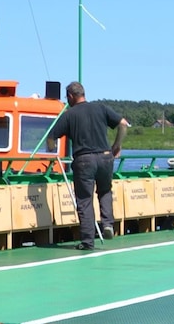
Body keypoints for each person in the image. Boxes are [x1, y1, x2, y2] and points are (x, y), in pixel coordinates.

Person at [47, 81, 128, 250]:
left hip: (84, 160)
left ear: (70, 96)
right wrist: (116, 146)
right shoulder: (101, 108)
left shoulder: (69, 115)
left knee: (84, 200)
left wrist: (52, 149)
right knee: (105, 191)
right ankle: (108, 224)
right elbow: (123, 124)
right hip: (105, 157)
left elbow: (51, 137)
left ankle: (88, 241)